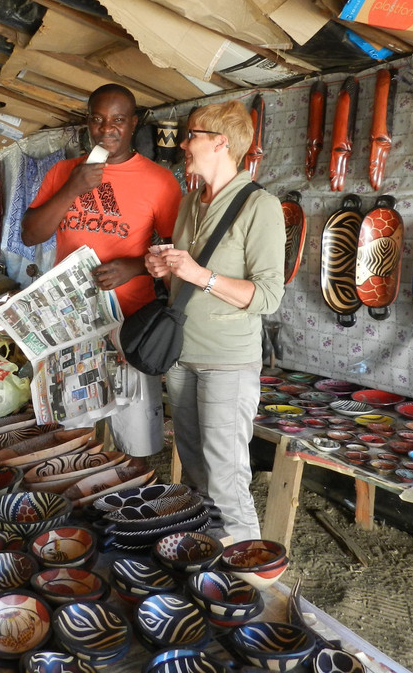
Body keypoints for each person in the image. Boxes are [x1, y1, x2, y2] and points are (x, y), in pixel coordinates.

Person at [143, 99, 284, 542]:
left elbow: (268, 296)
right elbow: (183, 280)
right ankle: (205, 557)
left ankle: (248, 573)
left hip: (227, 360)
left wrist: (201, 275)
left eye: (192, 135)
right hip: (181, 355)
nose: (184, 143)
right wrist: (164, 268)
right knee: (196, 472)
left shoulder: (260, 206)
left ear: (221, 142)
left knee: (226, 476)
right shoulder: (190, 202)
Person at [21, 83, 182, 455]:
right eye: (97, 119)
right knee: (74, 438)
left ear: (133, 124)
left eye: (119, 120)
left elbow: (178, 254)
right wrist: (72, 188)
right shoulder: (63, 172)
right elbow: (31, 234)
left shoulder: (159, 180)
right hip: (71, 326)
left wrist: (136, 267)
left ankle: (131, 502)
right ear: (87, 123)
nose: (107, 129)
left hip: (131, 325)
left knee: (136, 442)